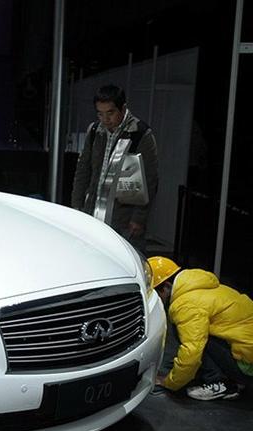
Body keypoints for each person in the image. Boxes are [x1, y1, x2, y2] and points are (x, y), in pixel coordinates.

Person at [149, 256, 253, 400]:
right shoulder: (200, 286)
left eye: (155, 293)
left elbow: (192, 350)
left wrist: (170, 382)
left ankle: (222, 383)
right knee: (199, 333)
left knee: (195, 338)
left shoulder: (186, 305)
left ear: (166, 287)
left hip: (247, 367)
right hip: (247, 353)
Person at [71, 84, 158, 253]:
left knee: (125, 258)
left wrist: (139, 219)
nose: (105, 119)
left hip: (124, 218)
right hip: (93, 211)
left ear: (123, 108)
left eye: (110, 113)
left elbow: (150, 180)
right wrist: (76, 205)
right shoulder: (95, 130)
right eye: (100, 113)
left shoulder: (140, 133)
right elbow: (83, 169)